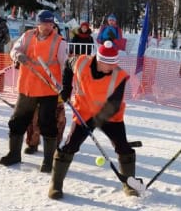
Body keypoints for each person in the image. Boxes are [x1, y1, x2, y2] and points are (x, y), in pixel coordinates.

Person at [48, 40, 138, 199]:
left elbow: (114, 105)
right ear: (99, 60)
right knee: (69, 145)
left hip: (110, 116)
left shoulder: (119, 76)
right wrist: (67, 88)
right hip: (84, 111)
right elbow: (68, 64)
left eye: (115, 64)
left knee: (123, 147)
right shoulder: (81, 62)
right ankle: (55, 186)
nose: (113, 67)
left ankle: (129, 184)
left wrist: (95, 121)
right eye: (109, 64)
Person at [0, 10, 67, 173]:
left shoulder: (59, 42)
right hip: (27, 88)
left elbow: (66, 66)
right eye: (44, 23)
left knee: (47, 124)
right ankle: (14, 154)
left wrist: (64, 87)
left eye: (50, 23)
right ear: (38, 23)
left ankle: (48, 160)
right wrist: (18, 56)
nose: (47, 26)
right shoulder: (27, 36)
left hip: (48, 90)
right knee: (17, 121)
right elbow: (14, 50)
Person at [23, 22, 66, 155]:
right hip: (36, 87)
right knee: (34, 118)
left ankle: (55, 145)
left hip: (55, 89)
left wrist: (65, 85)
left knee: (57, 120)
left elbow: (65, 66)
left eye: (54, 29)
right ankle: (32, 143)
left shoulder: (61, 44)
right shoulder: (33, 40)